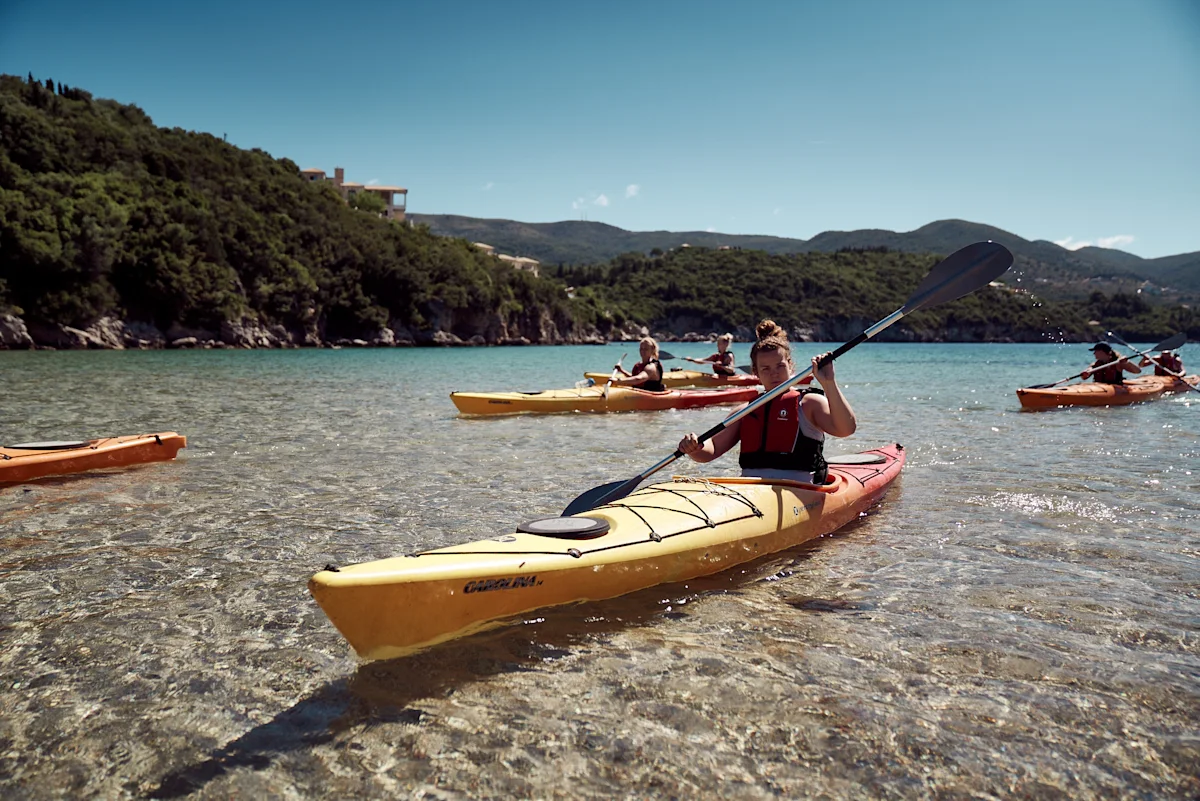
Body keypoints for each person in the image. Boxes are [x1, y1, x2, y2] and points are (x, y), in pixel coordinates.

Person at [676, 320, 856, 485]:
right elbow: (711, 450)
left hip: (800, 490)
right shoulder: (746, 410)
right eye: (766, 369)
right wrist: (694, 448)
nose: (774, 373)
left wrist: (829, 382)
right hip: (751, 491)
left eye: (780, 366)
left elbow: (846, 429)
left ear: (790, 365)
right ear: (756, 372)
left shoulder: (809, 403)